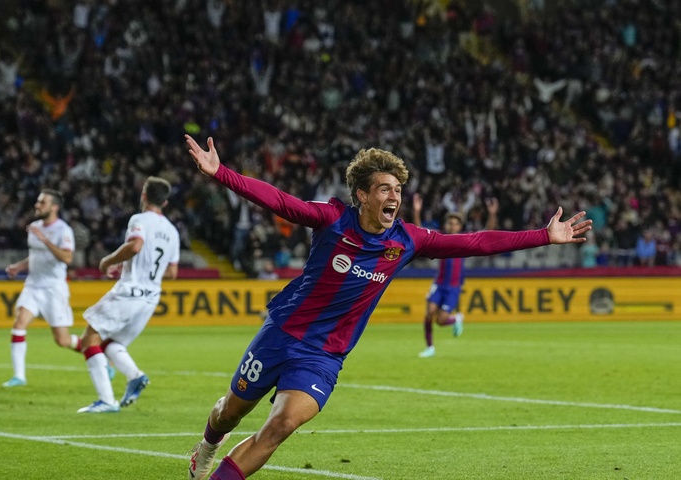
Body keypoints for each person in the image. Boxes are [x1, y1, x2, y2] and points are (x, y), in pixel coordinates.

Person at [184, 135, 591, 480]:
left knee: (282, 425)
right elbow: (279, 201)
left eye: (398, 189)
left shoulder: (407, 241)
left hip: (325, 355)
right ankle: (207, 446)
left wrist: (543, 235)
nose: (394, 195)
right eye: (384, 189)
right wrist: (221, 173)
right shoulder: (332, 221)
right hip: (281, 334)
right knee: (229, 413)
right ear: (362, 194)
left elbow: (475, 242)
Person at [77, 176, 180, 413]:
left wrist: (107, 261)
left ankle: (106, 400)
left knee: (89, 339)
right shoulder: (172, 232)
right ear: (165, 203)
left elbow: (135, 245)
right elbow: (172, 272)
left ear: (143, 195)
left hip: (130, 292)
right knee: (113, 344)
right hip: (150, 298)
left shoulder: (139, 219)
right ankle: (135, 376)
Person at [2, 188, 79, 387]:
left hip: (53, 288)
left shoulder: (63, 230)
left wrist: (45, 240)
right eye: (38, 202)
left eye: (42, 202)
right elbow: (36, 256)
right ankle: (19, 376)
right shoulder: (35, 226)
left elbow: (67, 257)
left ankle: (97, 355)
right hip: (33, 285)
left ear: (54, 207)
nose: (37, 205)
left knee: (62, 340)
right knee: (19, 323)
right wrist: (19, 266)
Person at [413, 193, 498, 358]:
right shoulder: (440, 238)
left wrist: (492, 214)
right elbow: (419, 232)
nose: (452, 226)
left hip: (453, 287)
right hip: (439, 283)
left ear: (460, 226)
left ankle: (456, 319)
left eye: (455, 223)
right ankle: (430, 347)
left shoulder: (466, 241)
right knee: (429, 312)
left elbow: (487, 233)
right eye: (450, 223)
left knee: (441, 320)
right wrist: (417, 211)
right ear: (446, 224)